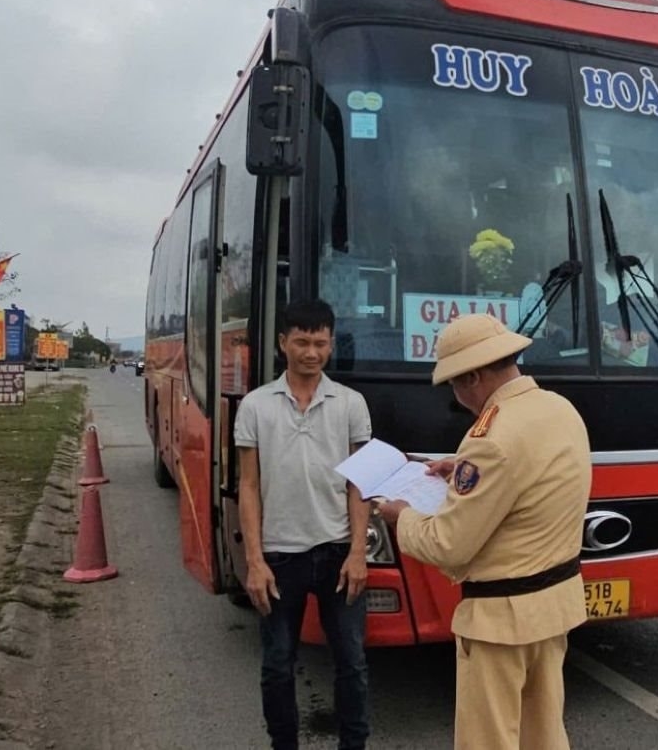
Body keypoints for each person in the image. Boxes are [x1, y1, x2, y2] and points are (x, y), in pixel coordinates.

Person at [377, 313, 592, 750]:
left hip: (499, 620)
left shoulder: (489, 437)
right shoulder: (558, 408)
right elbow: (534, 477)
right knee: (544, 734)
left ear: (473, 375)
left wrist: (402, 516)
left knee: (488, 741)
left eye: (455, 385)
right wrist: (460, 471)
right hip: (553, 606)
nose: (457, 399)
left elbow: (449, 544)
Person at [235, 298, 372, 750]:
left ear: (331, 345)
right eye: (301, 342)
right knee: (277, 664)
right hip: (278, 556)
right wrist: (254, 561)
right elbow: (249, 486)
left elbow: (359, 485)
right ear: (282, 343)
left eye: (320, 343)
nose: (310, 352)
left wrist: (357, 553)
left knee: (351, 662)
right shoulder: (255, 407)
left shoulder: (351, 404)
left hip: (337, 553)